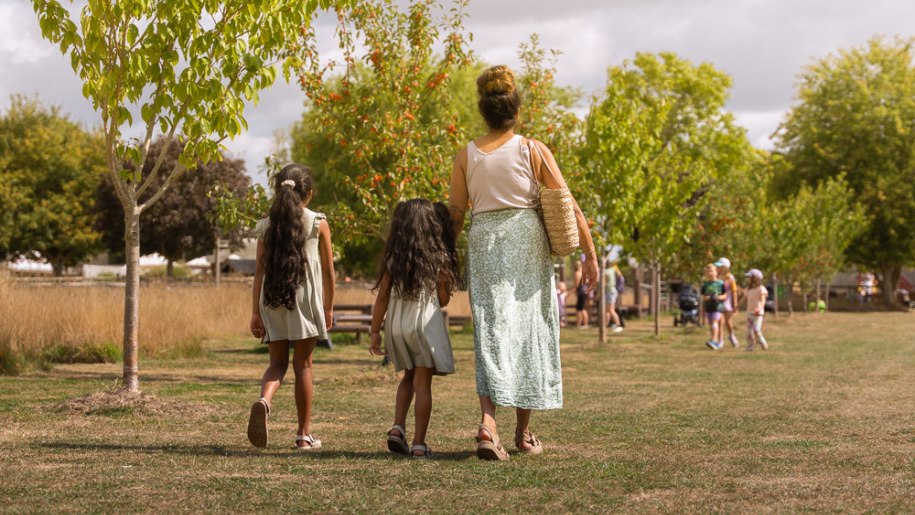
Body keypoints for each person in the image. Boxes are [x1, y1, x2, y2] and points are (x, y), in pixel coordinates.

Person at [448, 65, 599, 461]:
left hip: (484, 241)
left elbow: (456, 214)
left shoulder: (466, 154)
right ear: (516, 112)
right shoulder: (532, 149)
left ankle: (487, 423)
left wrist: (443, 254)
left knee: (491, 329)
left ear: (483, 112)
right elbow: (567, 204)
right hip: (526, 240)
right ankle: (523, 433)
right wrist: (590, 253)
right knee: (531, 328)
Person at [247, 164, 335, 450]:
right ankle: (303, 435)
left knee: (276, 364)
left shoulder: (265, 226)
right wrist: (329, 308)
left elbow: (259, 272)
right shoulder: (317, 222)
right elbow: (330, 273)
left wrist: (255, 311)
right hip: (305, 301)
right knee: (303, 366)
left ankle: (265, 400)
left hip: (272, 299)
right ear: (308, 193)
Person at [369, 199, 459, 459]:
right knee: (422, 383)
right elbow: (442, 300)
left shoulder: (393, 260)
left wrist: (375, 331)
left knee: (407, 376)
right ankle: (419, 444)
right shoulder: (438, 257)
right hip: (423, 327)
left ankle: (398, 428)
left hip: (396, 326)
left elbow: (382, 296)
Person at [715, 257, 740, 348]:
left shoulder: (730, 278)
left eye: (720, 266)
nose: (718, 268)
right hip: (719, 302)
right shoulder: (716, 276)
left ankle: (731, 335)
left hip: (727, 303)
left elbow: (734, 291)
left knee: (728, 321)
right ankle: (720, 340)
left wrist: (735, 303)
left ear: (725, 268)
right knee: (719, 321)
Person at [701, 263, 727, 350]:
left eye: (712, 271)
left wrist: (718, 297)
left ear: (716, 272)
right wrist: (708, 298)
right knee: (711, 324)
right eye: (708, 272)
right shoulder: (705, 284)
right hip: (709, 307)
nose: (710, 273)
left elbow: (725, 295)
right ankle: (714, 342)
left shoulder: (721, 283)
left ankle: (714, 339)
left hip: (717, 307)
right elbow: (703, 297)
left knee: (715, 323)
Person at [743, 269, 769, 351]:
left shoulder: (761, 289)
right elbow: (744, 298)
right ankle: (750, 346)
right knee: (749, 331)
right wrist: (736, 306)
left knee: (756, 329)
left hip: (758, 313)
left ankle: (762, 341)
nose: (747, 278)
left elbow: (763, 300)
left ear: (755, 278)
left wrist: (759, 308)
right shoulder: (749, 289)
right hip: (749, 313)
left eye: (749, 277)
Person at [603, 260, 623, 333]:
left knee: (611, 310)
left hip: (609, 292)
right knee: (607, 310)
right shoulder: (612, 269)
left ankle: (618, 325)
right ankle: (604, 326)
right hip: (613, 291)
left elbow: (604, 283)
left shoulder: (605, 272)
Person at [574, 259, 590, 328]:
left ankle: (579, 324)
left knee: (579, 309)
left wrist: (573, 290)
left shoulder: (577, 273)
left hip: (580, 292)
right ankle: (585, 324)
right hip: (584, 292)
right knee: (583, 308)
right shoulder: (583, 272)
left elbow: (576, 285)